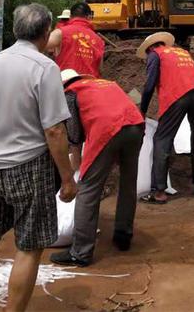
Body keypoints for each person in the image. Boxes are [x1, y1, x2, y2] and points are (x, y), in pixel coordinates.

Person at [0, 4, 77, 312]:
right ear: (46, 32)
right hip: (29, 168)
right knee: (29, 248)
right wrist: (67, 179)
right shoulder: (44, 67)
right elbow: (55, 131)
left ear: (15, 30)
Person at [51, 69, 145, 267]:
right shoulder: (107, 83)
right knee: (128, 182)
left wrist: (75, 167)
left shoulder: (71, 92)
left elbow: (74, 134)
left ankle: (80, 252)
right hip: (136, 125)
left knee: (88, 189)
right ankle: (123, 235)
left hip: (108, 130)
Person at [137, 32, 194, 204]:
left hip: (178, 96)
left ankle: (159, 191)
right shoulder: (182, 52)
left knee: (162, 138)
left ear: (150, 48)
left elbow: (149, 85)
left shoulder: (155, 54)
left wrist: (142, 110)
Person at [46, 2, 105, 77]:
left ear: (70, 16)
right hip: (90, 85)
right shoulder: (99, 40)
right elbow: (100, 69)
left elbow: (39, 44)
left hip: (66, 85)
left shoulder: (60, 32)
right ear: (89, 17)